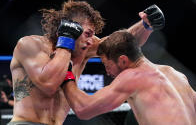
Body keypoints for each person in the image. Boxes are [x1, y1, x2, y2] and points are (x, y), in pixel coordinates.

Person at [8, 0, 164, 125]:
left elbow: (120, 43)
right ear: (71, 27)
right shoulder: (31, 45)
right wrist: (66, 41)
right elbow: (49, 84)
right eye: (88, 34)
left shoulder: (84, 51)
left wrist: (145, 25)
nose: (91, 41)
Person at [63, 29, 196, 125]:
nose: (107, 72)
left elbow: (83, 109)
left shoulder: (132, 76)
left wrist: (67, 73)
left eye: (107, 65)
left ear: (123, 60)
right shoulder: (176, 74)